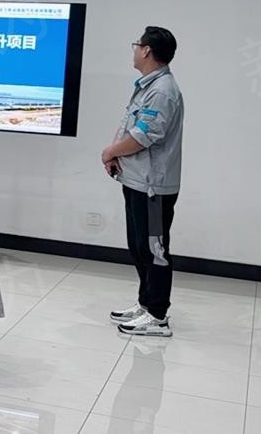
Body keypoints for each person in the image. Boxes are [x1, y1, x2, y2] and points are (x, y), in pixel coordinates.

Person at [102, 26, 184, 337]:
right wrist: (115, 155)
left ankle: (158, 316)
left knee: (154, 250)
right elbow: (129, 124)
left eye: (137, 45)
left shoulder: (162, 91)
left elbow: (143, 136)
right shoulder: (147, 85)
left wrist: (110, 151)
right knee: (139, 247)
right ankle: (145, 303)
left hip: (153, 187)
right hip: (136, 180)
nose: (134, 49)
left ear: (147, 51)